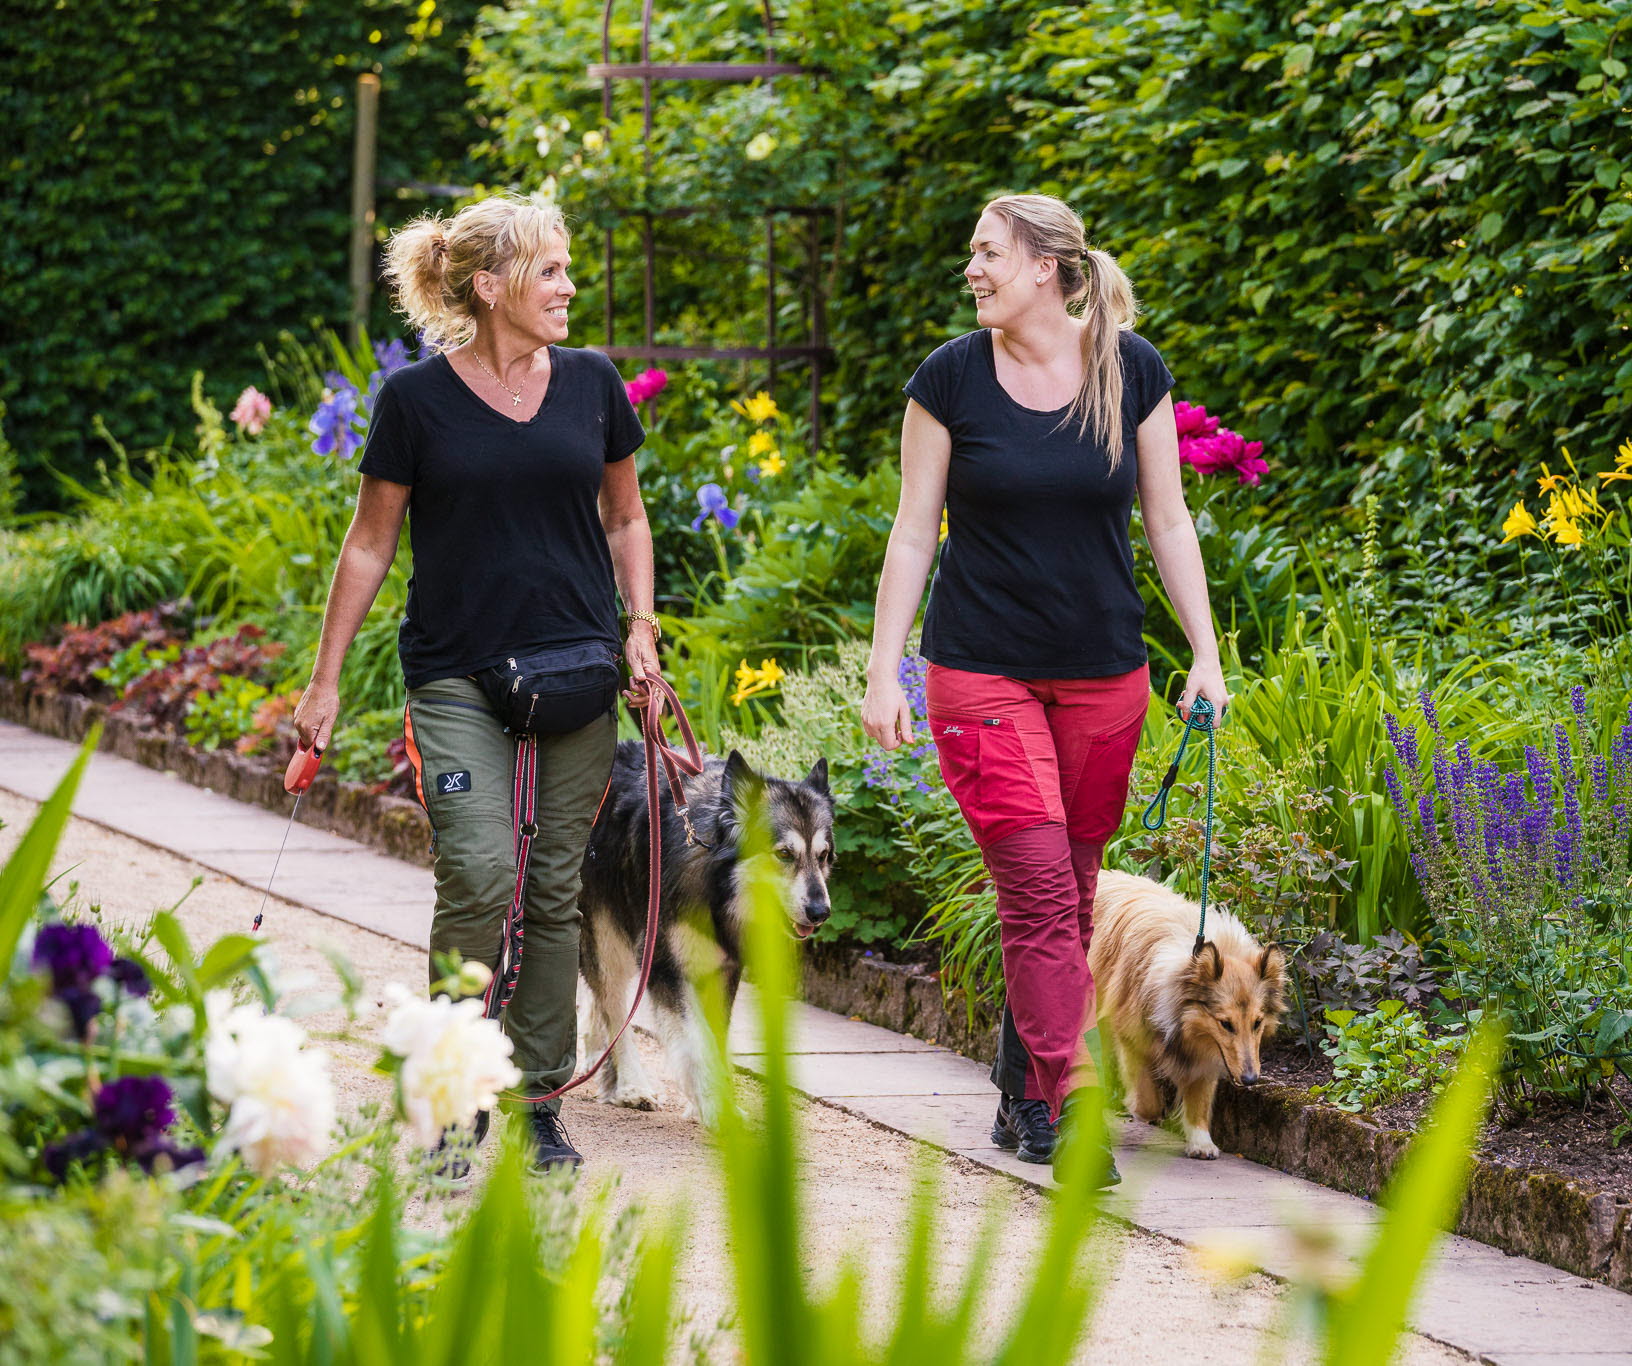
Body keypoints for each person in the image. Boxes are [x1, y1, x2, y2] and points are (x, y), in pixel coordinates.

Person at [860, 193, 1228, 1184]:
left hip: (1107, 673)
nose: (971, 269)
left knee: (1069, 891)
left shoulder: (1130, 369)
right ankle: (1064, 1108)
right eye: (973, 252)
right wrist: (884, 665)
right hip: (980, 666)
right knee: (1033, 888)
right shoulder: (948, 379)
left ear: (1045, 267)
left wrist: (1205, 650)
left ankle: (1024, 1080)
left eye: (987, 253)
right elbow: (911, 529)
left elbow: (1171, 519)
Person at [293, 193, 659, 1172]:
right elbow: (370, 545)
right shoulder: (415, 403)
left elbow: (627, 518)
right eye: (551, 271)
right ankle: (450, 1090)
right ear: (491, 287)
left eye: (567, 268)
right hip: (458, 670)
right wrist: (324, 682)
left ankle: (538, 1099)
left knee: (552, 889)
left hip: (580, 667)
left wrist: (643, 631)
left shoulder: (592, 386)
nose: (570, 286)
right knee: (482, 872)